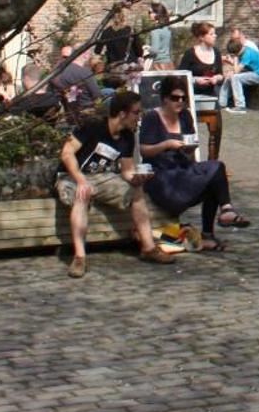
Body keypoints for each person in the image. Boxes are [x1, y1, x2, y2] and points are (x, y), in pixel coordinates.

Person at [55, 91, 176, 278]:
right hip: (71, 175)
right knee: (83, 193)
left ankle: (149, 247)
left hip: (102, 177)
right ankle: (79, 257)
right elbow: (66, 153)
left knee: (136, 191)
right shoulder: (93, 126)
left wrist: (137, 178)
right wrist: (80, 180)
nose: (139, 117)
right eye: (136, 112)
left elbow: (127, 170)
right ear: (122, 114)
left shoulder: (127, 136)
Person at [139, 76, 236, 251]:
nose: (180, 102)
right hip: (163, 176)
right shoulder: (152, 118)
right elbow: (144, 150)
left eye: (183, 98)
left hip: (183, 168)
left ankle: (225, 211)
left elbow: (190, 147)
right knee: (208, 179)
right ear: (165, 98)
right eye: (175, 98)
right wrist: (166, 145)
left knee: (216, 170)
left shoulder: (185, 116)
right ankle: (198, 235)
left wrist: (190, 151)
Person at [221, 26, 259, 112]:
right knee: (229, 76)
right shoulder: (243, 51)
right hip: (252, 72)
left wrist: (235, 59)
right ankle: (221, 103)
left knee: (235, 77)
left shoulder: (248, 53)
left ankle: (240, 105)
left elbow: (236, 71)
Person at [50, 43, 102, 109]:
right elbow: (97, 95)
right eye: (89, 54)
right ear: (85, 55)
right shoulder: (84, 72)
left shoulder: (57, 70)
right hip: (86, 110)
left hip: (66, 110)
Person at [144, 3, 174, 68]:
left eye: (151, 12)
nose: (149, 14)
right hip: (168, 64)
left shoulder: (155, 30)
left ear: (158, 14)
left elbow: (155, 50)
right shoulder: (167, 29)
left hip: (157, 64)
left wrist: (146, 48)